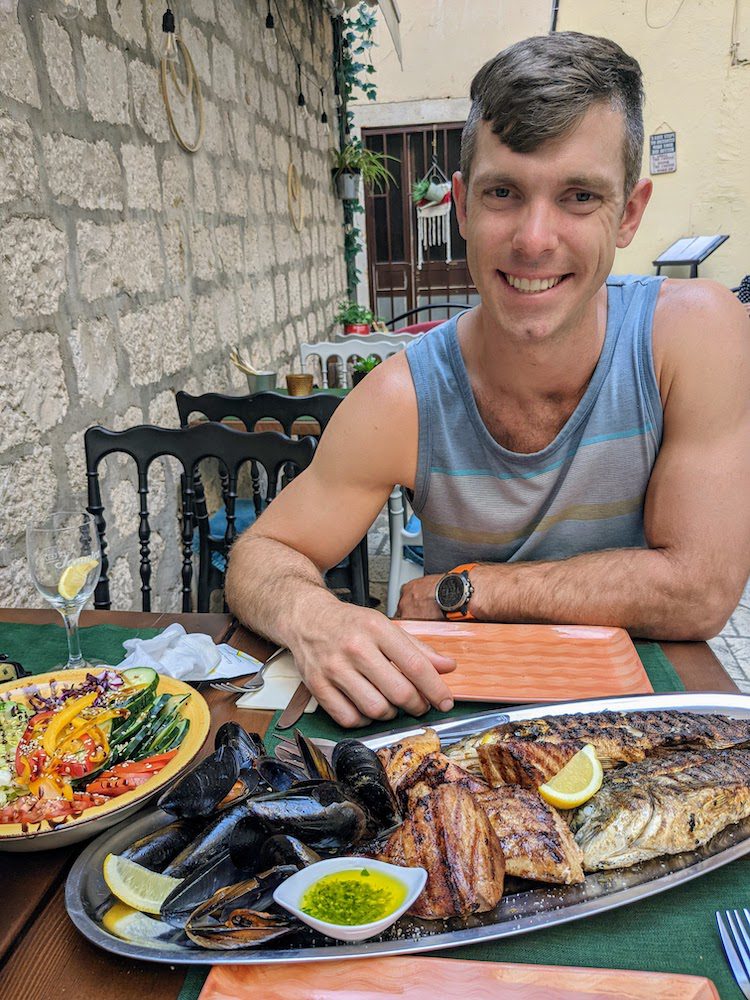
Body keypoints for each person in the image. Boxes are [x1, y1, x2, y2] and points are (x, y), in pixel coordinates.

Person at [226, 32, 750, 728]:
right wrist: (316, 618)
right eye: (504, 192)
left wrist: (465, 590)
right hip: (462, 733)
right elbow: (261, 555)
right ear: (464, 207)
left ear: (629, 212)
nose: (535, 238)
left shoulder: (693, 336)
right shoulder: (403, 396)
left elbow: (700, 591)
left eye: (578, 196)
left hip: (655, 724)